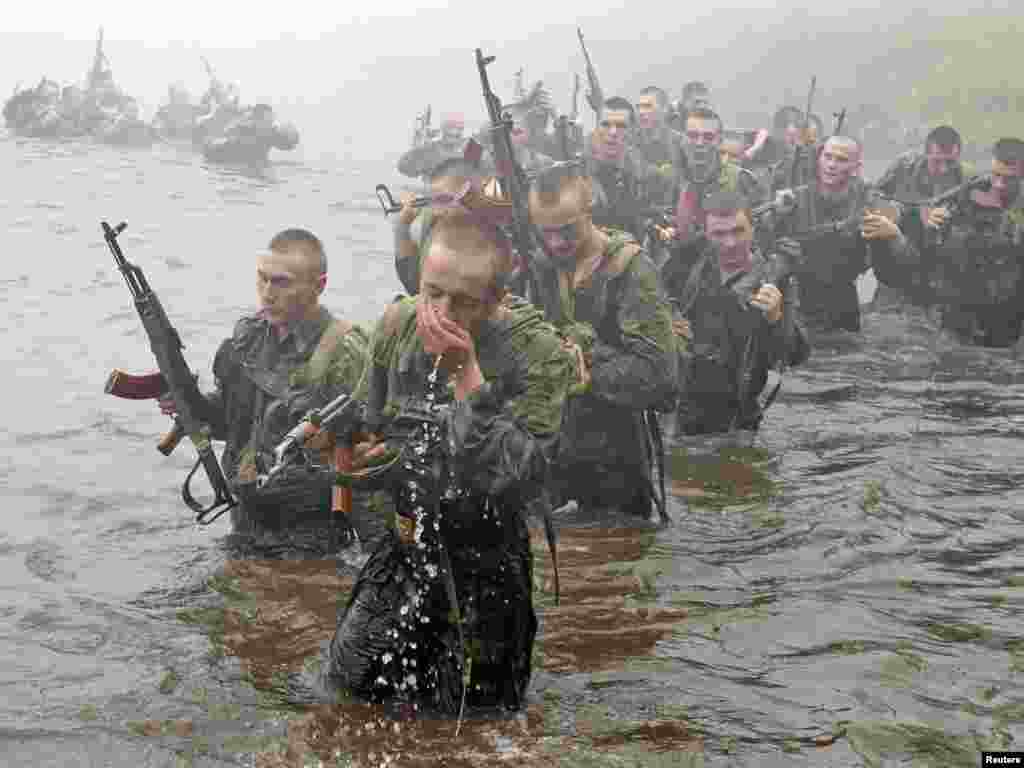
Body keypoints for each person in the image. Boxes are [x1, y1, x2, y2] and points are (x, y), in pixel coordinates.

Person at [323, 202, 577, 713]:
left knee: (486, 717)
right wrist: (355, 452)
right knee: (346, 690)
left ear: (497, 299)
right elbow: (373, 425)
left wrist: (470, 379)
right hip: (405, 542)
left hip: (489, 558)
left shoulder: (540, 353)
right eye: (432, 293)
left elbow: (525, 477)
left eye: (462, 302)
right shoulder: (397, 323)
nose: (441, 313)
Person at [156, 229, 369, 546]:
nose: (268, 293)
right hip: (248, 517)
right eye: (262, 279)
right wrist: (190, 403)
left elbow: (364, 450)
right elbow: (230, 422)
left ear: (318, 285)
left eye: (282, 282)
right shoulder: (249, 338)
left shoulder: (344, 351)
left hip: (313, 530)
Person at [527, 165, 677, 521]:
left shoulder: (631, 270)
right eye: (546, 233)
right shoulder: (541, 267)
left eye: (568, 231)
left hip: (616, 459)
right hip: (551, 449)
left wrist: (589, 370)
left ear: (590, 211)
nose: (557, 243)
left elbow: (662, 378)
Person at [662, 191, 810, 435]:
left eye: (738, 231)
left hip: (739, 418)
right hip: (681, 408)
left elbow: (795, 355)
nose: (730, 242)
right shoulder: (686, 269)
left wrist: (776, 317)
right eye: (719, 234)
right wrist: (667, 324)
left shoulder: (775, 279)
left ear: (753, 229)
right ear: (706, 233)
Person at [874, 138, 1024, 347]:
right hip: (957, 308)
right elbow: (922, 213)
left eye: (1010, 179)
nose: (999, 184)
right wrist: (933, 218)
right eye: (996, 174)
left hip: (1006, 311)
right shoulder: (970, 191)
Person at [768, 134, 915, 333]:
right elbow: (760, 248)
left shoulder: (868, 201)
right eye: (827, 157)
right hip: (797, 301)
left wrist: (895, 236)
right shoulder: (795, 199)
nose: (831, 165)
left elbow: (901, 266)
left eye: (841, 160)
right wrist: (774, 217)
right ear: (819, 159)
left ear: (856, 166)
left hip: (843, 300)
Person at [584, 96, 653, 240]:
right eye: (605, 125)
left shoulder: (645, 178)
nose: (613, 132)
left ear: (633, 130)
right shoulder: (580, 175)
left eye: (621, 126)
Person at [634, 86, 682, 206]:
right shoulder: (629, 141)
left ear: (664, 109)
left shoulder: (680, 143)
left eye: (647, 106)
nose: (641, 112)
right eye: (639, 107)